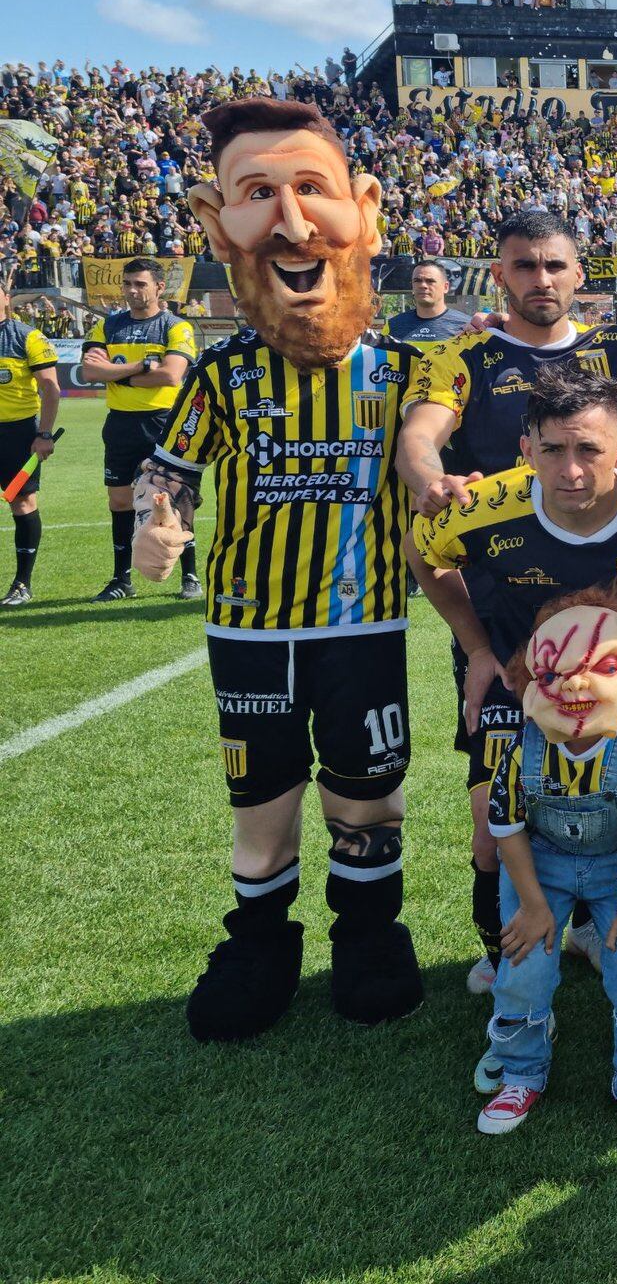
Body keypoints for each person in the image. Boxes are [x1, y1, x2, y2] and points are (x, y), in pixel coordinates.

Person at [132, 96, 429, 1041]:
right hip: (251, 631)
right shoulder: (224, 375)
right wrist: (156, 520)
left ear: (363, 211)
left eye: (312, 191)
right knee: (261, 800)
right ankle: (259, 941)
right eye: (261, 194)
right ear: (221, 226)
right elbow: (168, 470)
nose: (295, 226)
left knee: (368, 793)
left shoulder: (404, 372)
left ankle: (367, 933)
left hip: (366, 624)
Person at [411, 365, 617, 1091]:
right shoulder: (484, 507)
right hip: (526, 699)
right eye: (552, 451)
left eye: (589, 448)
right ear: (525, 447)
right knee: (491, 830)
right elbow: (424, 552)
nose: (571, 470)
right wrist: (478, 645)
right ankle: (519, 995)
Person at [474, 588, 617, 1141]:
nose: (573, 685)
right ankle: (521, 1072)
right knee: (523, 968)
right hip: (541, 865)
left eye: (601, 667)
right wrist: (535, 906)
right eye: (553, 673)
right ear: (527, 682)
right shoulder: (522, 747)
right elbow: (507, 831)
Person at [78, 258, 199, 600]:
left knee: (174, 501)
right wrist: (143, 366)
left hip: (164, 423)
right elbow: (90, 373)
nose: (132, 290)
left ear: (160, 287)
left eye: (140, 284)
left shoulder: (176, 327)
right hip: (120, 424)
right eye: (128, 283)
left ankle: (189, 576)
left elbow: (171, 375)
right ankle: (121, 580)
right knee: (119, 502)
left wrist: (117, 373)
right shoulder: (107, 327)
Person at [0, 269, 60, 606]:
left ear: (6, 297)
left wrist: (44, 433)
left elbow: (51, 390)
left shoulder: (27, 337)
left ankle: (22, 583)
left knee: (21, 502)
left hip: (17, 433)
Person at [383, 259, 468, 342]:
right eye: (417, 281)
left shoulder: (466, 326)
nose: (423, 285)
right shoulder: (392, 326)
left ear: (445, 287)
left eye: (430, 281)